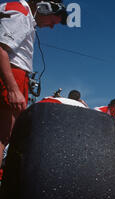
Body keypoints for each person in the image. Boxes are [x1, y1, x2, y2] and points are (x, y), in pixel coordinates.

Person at [0, 0, 67, 168]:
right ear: (44, 7)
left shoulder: (19, 12)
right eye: (52, 21)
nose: (51, 27)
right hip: (12, 74)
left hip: (15, 75)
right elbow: (1, 50)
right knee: (2, 136)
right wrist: (13, 89)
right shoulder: (20, 13)